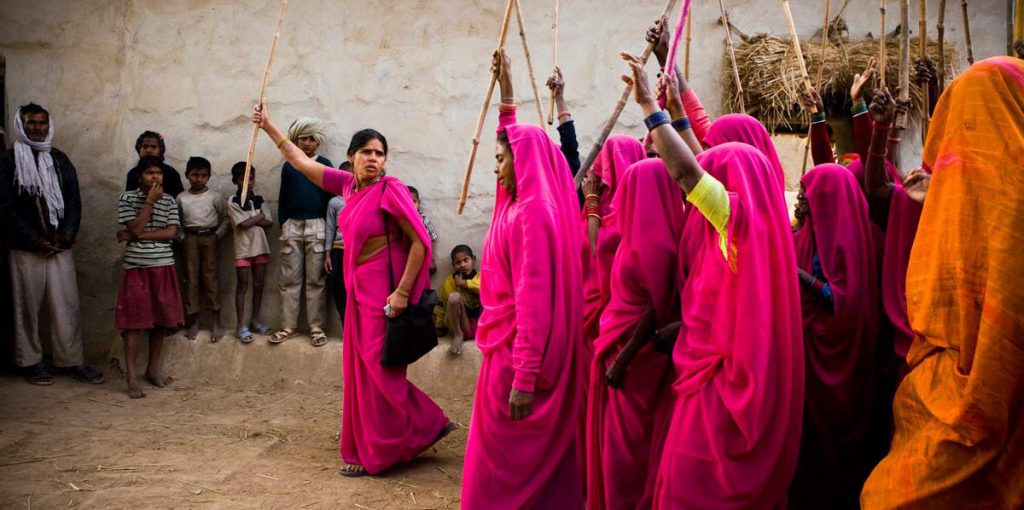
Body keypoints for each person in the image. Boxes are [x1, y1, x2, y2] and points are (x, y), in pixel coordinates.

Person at [619, 52, 804, 509]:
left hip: (721, 386)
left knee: (690, 483)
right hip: (723, 372)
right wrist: (676, 86)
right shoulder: (756, 221)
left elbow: (687, 170)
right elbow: (700, 158)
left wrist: (648, 107)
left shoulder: (732, 218)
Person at [251, 103, 453, 478]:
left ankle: (412, 433)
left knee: (381, 368)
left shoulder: (390, 191)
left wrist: (403, 293)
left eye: (379, 153)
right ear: (351, 158)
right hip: (356, 287)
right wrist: (269, 127)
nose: (373, 159)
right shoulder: (346, 186)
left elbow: (420, 242)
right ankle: (388, 440)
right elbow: (300, 162)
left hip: (384, 292)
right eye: (366, 152)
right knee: (359, 370)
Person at [861, 56, 1024, 509]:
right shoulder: (952, 189)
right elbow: (885, 192)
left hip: (977, 386)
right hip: (954, 381)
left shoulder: (995, 196)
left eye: (962, 125)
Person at [461, 49, 585, 509]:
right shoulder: (513, 204)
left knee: (499, 465)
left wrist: (525, 376)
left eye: (499, 159)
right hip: (503, 347)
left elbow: (535, 301)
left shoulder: (534, 213)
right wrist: (507, 95)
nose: (495, 168)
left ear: (522, 161)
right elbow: (509, 157)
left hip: (517, 355)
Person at [587, 158, 683, 510]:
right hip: (621, 349)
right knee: (617, 448)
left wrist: (624, 357)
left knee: (628, 451)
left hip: (636, 360)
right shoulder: (638, 234)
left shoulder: (655, 242)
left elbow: (656, 306)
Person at [790, 163, 883, 509]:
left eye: (806, 194)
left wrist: (797, 274)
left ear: (825, 200)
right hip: (807, 356)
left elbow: (844, 303)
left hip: (838, 352)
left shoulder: (856, 241)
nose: (799, 200)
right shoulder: (802, 236)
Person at [0, 103, 102, 386]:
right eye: (31, 122)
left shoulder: (59, 160)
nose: (37, 127)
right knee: (26, 308)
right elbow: (5, 208)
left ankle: (71, 360)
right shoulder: (8, 161)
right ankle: (30, 361)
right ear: (21, 125)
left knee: (66, 304)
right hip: (25, 248)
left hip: (59, 247)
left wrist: (65, 235)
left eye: (42, 122)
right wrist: (33, 240)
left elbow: (73, 201)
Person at [115, 156, 184, 398]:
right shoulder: (127, 198)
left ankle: (152, 370)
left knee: (160, 322)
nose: (155, 177)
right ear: (139, 176)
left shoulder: (169, 200)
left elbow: (170, 233)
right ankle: (131, 377)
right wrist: (149, 204)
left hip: (163, 265)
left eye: (159, 173)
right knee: (133, 324)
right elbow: (134, 226)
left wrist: (134, 236)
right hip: (136, 267)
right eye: (149, 173)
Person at [271, 118, 333, 346]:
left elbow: (330, 199)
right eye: (302, 139)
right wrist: (284, 222)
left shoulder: (324, 164)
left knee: (316, 280)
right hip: (292, 226)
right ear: (295, 140)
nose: (306, 143)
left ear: (317, 141)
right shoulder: (290, 165)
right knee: (290, 280)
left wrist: (328, 228)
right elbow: (283, 198)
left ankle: (316, 328)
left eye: (310, 139)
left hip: (317, 226)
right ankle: (289, 326)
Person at [177, 156, 228, 341]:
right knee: (191, 278)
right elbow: (175, 222)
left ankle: (216, 321)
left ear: (208, 177)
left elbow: (227, 218)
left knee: (210, 277)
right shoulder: (181, 198)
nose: (198, 179)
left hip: (210, 238)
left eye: (203, 175)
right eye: (194, 175)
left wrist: (217, 236)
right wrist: (182, 238)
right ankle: (194, 320)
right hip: (190, 238)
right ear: (187, 175)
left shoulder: (214, 197)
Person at [227, 162, 273, 344]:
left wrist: (255, 219)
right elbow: (243, 225)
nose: (248, 182)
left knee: (259, 284)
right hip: (243, 249)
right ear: (235, 181)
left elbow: (269, 223)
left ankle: (255, 320)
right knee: (242, 285)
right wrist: (259, 216)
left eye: (251, 178)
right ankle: (240, 325)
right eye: (243, 179)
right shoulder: (233, 201)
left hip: (260, 247)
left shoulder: (259, 199)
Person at [433, 245, 482, 355]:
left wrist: (465, 284)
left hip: (480, 324)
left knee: (489, 294)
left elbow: (486, 289)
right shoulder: (449, 281)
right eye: (458, 262)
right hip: (463, 325)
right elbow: (441, 303)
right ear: (453, 265)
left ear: (473, 259)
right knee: (454, 297)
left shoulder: (481, 276)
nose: (463, 265)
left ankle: (488, 334)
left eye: (466, 260)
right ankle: (457, 334)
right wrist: (438, 325)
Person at [324, 161, 353, 324]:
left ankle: (358, 329)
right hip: (338, 250)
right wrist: (328, 254)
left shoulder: (364, 197)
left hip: (358, 252)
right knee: (339, 287)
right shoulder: (335, 202)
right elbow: (330, 229)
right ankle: (346, 324)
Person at [125, 131, 185, 198]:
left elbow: (178, 202)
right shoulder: (132, 174)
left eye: (153, 147)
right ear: (139, 149)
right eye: (145, 146)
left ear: (160, 150)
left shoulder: (172, 173)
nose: (148, 150)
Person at [407, 186, 438, 275]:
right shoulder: (400, 220)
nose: (411, 204)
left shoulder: (423, 219)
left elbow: (432, 238)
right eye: (407, 201)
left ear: (419, 203)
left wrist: (430, 259)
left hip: (421, 256)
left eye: (414, 201)